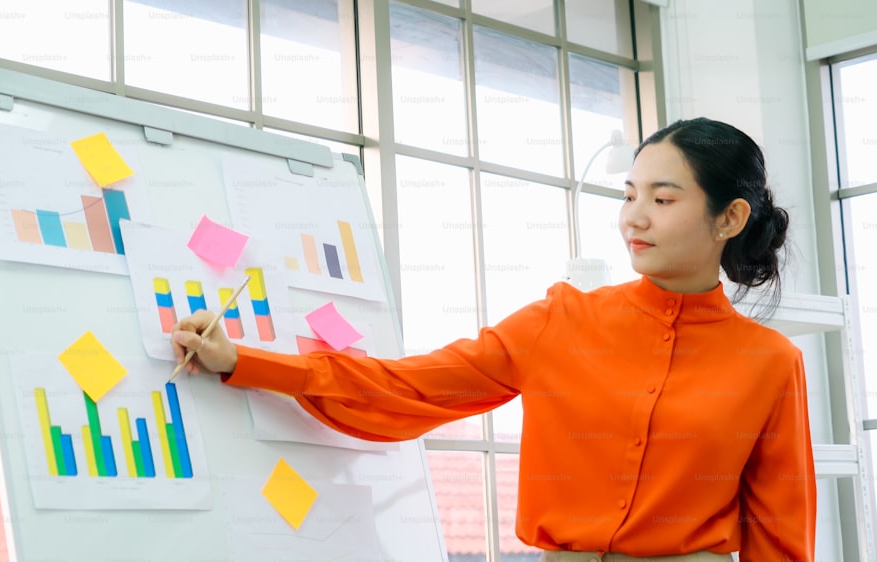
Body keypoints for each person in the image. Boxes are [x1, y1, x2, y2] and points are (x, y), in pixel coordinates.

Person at [171, 117, 816, 562]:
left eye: (663, 198)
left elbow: (782, 536)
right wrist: (245, 363)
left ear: (729, 216)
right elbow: (409, 385)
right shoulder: (560, 321)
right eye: (628, 195)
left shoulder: (769, 363)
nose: (634, 217)